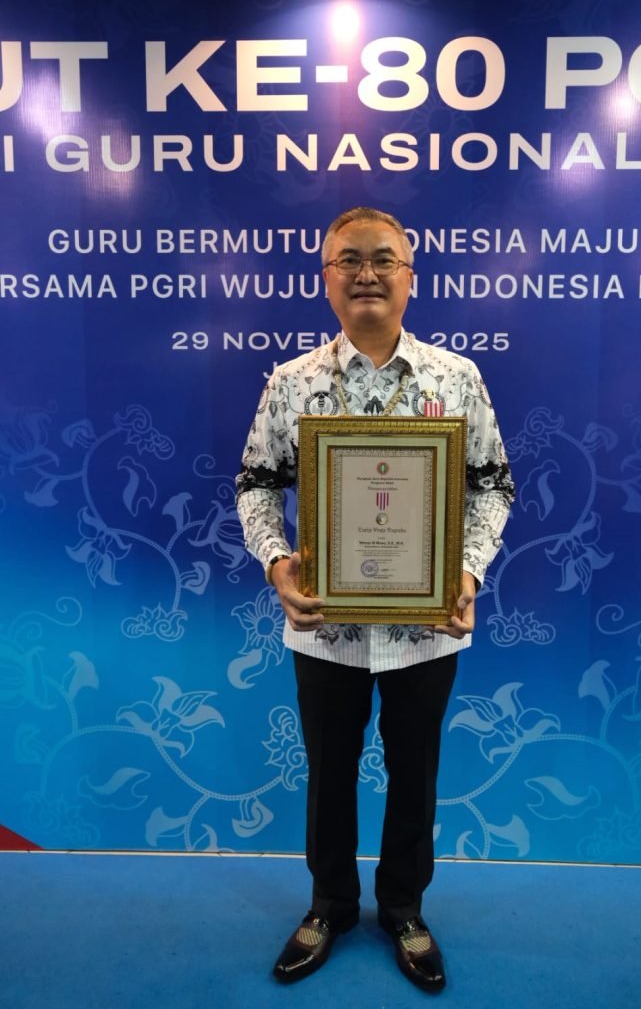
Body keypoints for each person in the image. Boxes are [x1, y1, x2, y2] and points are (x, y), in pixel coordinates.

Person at [236, 207, 514, 992]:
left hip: (428, 625)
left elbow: (493, 486)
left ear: (410, 277)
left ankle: (404, 909)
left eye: (383, 259)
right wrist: (277, 565)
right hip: (324, 624)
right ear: (326, 279)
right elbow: (255, 485)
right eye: (348, 260)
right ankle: (329, 904)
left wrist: (467, 573)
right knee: (329, 771)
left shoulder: (456, 379)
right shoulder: (292, 383)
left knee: (414, 771)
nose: (366, 273)